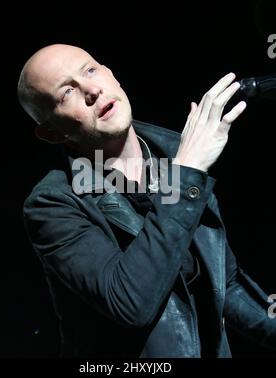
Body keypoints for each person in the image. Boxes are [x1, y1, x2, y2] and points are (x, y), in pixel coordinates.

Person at [18, 44, 276, 358]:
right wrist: (187, 174)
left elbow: (225, 283)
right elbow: (130, 302)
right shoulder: (53, 204)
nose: (92, 90)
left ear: (110, 73)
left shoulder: (174, 158)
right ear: (52, 133)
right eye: (67, 92)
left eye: (90, 70)